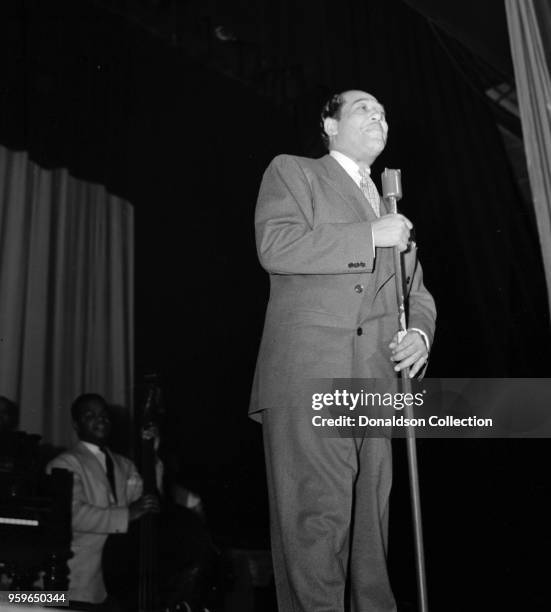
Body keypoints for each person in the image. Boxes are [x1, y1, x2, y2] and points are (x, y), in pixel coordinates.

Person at [249, 90, 436, 611]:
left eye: (383, 114)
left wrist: (420, 335)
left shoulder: (391, 207)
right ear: (329, 125)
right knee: (317, 523)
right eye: (362, 109)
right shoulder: (295, 172)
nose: (378, 117)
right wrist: (369, 235)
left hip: (374, 383)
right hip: (311, 372)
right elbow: (277, 246)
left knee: (371, 535)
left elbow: (416, 294)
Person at [46, 393, 160, 610]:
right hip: (71, 586)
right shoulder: (64, 463)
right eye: (90, 415)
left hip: (112, 587)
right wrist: (128, 514)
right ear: (76, 424)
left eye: (104, 415)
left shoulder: (125, 465)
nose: (100, 420)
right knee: (15, 600)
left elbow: (148, 502)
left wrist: (151, 453)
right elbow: (74, 515)